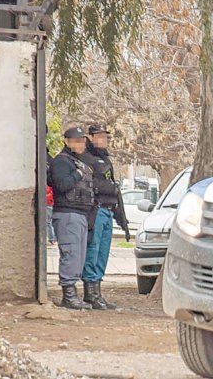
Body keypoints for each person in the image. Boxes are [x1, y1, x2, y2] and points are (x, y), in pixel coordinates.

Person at [80, 124, 131, 310]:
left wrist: (122, 220)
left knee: (103, 252)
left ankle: (98, 292)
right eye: (99, 136)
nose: (103, 140)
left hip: (109, 209)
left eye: (105, 136)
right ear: (91, 137)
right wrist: (109, 188)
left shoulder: (105, 158)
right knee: (92, 250)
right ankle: (90, 293)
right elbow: (93, 184)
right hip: (96, 209)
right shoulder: (86, 157)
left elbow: (113, 187)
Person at [50, 126, 95, 310]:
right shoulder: (62, 161)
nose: (81, 144)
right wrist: (77, 174)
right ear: (67, 142)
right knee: (71, 253)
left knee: (79, 256)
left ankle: (73, 294)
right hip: (67, 213)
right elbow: (61, 185)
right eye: (77, 141)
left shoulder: (77, 161)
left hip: (80, 213)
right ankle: (68, 296)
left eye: (82, 140)